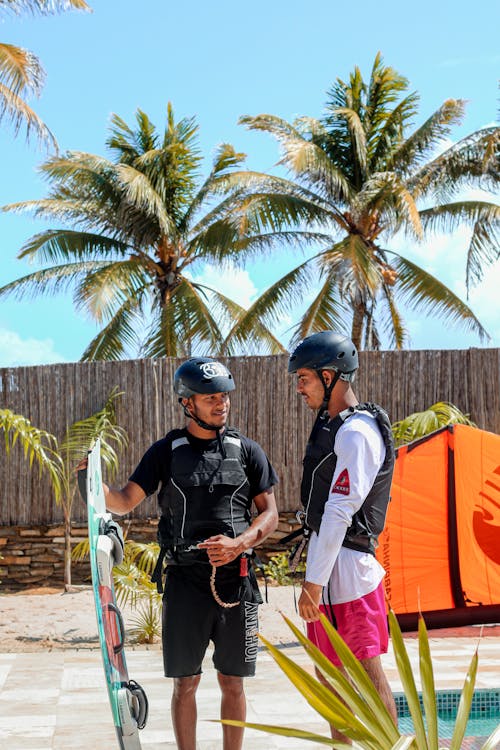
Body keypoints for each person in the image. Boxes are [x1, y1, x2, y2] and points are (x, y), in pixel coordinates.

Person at [85, 357, 278, 750]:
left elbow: (270, 514)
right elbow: (123, 500)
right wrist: (91, 483)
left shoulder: (247, 451)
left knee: (233, 681)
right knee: (185, 682)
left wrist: (240, 544)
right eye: (210, 397)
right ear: (188, 403)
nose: (221, 403)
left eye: (224, 395)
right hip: (184, 581)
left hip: (236, 581)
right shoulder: (166, 452)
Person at [288, 331, 398, 742]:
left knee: (368, 679)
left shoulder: (356, 433)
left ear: (330, 376)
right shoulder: (335, 426)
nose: (299, 387)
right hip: (329, 570)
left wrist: (312, 585)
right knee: (328, 680)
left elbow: (338, 512)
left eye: (304, 377)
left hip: (348, 574)